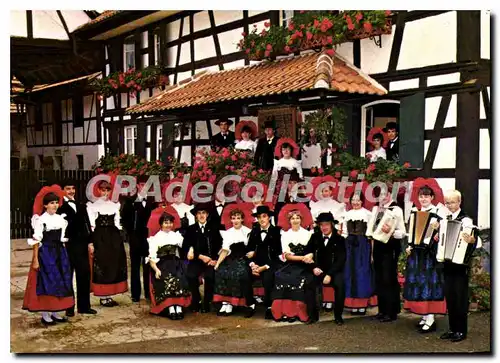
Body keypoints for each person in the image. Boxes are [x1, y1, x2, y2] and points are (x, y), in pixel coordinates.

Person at [22, 186, 74, 326]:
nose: (55, 205)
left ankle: (55, 312)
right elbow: (36, 241)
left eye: (56, 202)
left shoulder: (61, 219)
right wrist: (35, 260)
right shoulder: (41, 220)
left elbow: (62, 238)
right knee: (47, 282)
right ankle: (45, 314)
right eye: (51, 203)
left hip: (59, 253)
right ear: (45, 205)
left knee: (59, 281)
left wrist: (64, 256)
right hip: (46, 254)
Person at [403, 185, 448, 333]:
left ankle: (430, 317)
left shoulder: (438, 213)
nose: (423, 199)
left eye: (427, 196)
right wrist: (409, 245)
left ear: (432, 198)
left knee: (430, 283)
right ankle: (424, 315)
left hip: (430, 254)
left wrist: (438, 232)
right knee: (419, 283)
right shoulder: (416, 211)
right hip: (417, 253)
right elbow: (411, 231)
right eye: (421, 196)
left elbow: (445, 233)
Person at [440, 190, 482, 343]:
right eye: (447, 203)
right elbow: (443, 241)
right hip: (448, 263)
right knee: (450, 297)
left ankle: (461, 331)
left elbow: (478, 243)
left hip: (460, 265)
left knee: (460, 298)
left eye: (452, 202)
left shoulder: (467, 221)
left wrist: (472, 240)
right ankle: (452, 329)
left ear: (459, 202)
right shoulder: (445, 220)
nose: (450, 205)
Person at [366, 187, 406, 322]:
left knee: (388, 278)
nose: (383, 197)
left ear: (390, 194)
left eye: (385, 194)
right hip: (377, 247)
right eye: (380, 195)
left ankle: (392, 311)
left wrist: (391, 230)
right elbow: (372, 231)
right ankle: (382, 310)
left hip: (391, 247)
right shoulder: (376, 210)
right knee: (379, 278)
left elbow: (402, 232)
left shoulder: (396, 210)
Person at [57, 179, 96, 317]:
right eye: (68, 188)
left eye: (73, 188)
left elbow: (87, 224)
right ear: (63, 190)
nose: (71, 191)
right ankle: (69, 307)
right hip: (67, 245)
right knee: (68, 276)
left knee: (84, 274)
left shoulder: (81, 205)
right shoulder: (59, 206)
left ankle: (84, 306)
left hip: (81, 245)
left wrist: (90, 242)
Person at [271, 209, 316, 324]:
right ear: (289, 221)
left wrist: (308, 257)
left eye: (297, 218)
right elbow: (287, 255)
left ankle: (298, 313)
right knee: (281, 276)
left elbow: (312, 251)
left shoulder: (308, 234)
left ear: (301, 220)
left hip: (305, 265)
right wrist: (302, 257)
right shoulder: (285, 235)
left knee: (301, 279)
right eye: (292, 218)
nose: (295, 220)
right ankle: (285, 312)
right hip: (291, 263)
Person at [87, 180, 128, 307]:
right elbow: (91, 225)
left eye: (107, 190)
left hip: (113, 237)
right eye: (103, 190)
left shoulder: (114, 205)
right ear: (98, 190)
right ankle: (103, 296)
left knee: (113, 264)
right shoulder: (93, 206)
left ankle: (109, 294)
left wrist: (119, 238)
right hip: (100, 237)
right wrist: (92, 241)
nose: (105, 193)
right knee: (102, 264)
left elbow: (117, 223)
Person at [147, 212, 191, 320]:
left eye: (170, 223)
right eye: (165, 223)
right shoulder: (155, 238)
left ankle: (179, 307)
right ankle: (171, 308)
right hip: (161, 264)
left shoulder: (176, 235)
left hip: (175, 262)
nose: (168, 225)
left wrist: (191, 249)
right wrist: (156, 270)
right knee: (167, 279)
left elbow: (186, 245)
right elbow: (151, 258)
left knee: (179, 277)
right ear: (161, 224)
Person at [213, 208, 255, 317]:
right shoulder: (228, 233)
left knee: (239, 273)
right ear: (231, 220)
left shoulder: (248, 231)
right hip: (230, 258)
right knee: (222, 272)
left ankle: (244, 304)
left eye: (238, 218)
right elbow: (225, 250)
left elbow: (253, 247)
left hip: (243, 258)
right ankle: (226, 302)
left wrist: (253, 253)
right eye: (233, 218)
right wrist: (217, 263)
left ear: (242, 219)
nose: (235, 220)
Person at [339, 193, 375, 315]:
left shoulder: (368, 214)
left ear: (362, 201)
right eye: (353, 200)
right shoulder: (346, 214)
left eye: (358, 200)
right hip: (349, 245)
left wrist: (371, 253)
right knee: (350, 273)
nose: (355, 202)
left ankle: (362, 304)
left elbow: (371, 235)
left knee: (362, 273)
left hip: (363, 246)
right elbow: (343, 232)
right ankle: (352, 304)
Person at [121, 183, 157, 303]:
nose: (144, 187)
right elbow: (124, 219)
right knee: (135, 266)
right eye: (142, 185)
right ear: (137, 185)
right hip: (135, 238)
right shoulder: (130, 201)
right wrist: (130, 233)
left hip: (149, 238)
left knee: (148, 265)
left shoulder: (153, 201)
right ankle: (135, 294)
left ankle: (148, 292)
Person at [184, 203, 223, 313]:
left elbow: (219, 246)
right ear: (196, 215)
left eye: (204, 213)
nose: (201, 215)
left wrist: (215, 260)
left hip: (210, 260)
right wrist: (199, 256)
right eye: (199, 213)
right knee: (191, 275)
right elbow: (185, 247)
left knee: (210, 276)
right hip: (197, 259)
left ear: (207, 215)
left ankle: (207, 302)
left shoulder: (214, 229)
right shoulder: (191, 229)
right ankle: (196, 300)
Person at [309, 212, 347, 325]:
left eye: (326, 224)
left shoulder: (340, 239)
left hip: (333, 271)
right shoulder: (314, 237)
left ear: (331, 225)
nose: (324, 227)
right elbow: (307, 254)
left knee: (340, 284)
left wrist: (329, 274)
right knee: (309, 282)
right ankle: (313, 316)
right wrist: (313, 267)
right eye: (321, 225)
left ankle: (338, 316)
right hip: (318, 270)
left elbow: (341, 260)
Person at [247, 205, 282, 319]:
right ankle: (250, 304)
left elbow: (278, 254)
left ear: (269, 218)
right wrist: (252, 265)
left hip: (270, 264)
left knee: (268, 278)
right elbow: (249, 251)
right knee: (243, 275)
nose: (262, 219)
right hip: (256, 264)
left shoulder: (276, 232)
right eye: (259, 217)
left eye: (264, 216)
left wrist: (264, 267)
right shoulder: (254, 231)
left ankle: (269, 307)